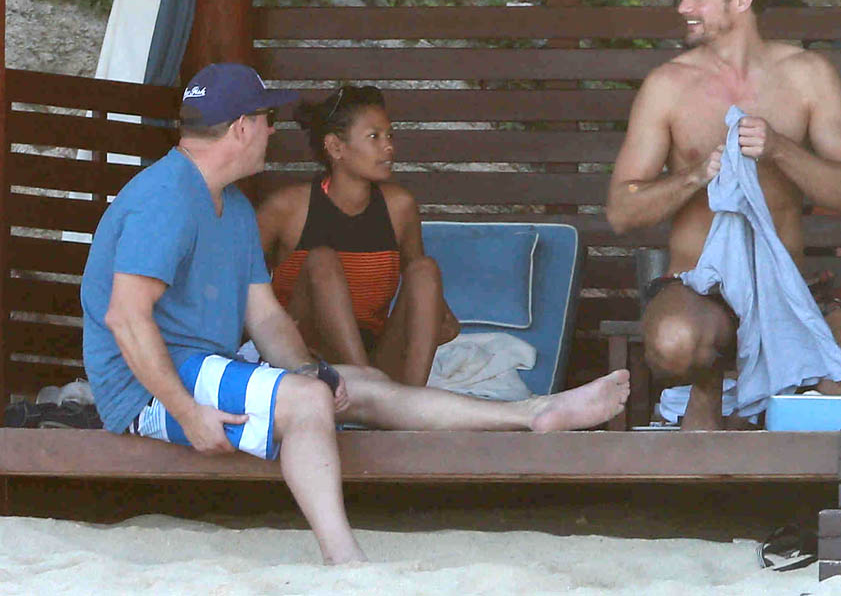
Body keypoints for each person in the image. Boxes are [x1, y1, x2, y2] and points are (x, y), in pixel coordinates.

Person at [81, 62, 631, 564]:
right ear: (242, 127)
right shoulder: (167, 197)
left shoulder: (235, 206)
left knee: (359, 383)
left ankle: (532, 413)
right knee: (306, 402)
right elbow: (126, 318)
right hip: (146, 390)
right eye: (269, 120)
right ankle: (345, 560)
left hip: (200, 367)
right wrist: (187, 412)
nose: (273, 132)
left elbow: (266, 317)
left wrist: (309, 368)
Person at [605, 0, 841, 431]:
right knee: (677, 342)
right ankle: (711, 391)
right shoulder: (667, 85)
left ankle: (750, 407)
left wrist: (780, 149)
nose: (682, 8)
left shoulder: (808, 75)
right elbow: (622, 210)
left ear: (741, 0)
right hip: (699, 290)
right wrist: (696, 175)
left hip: (788, 290)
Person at [257, 86, 458, 387]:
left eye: (390, 136)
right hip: (305, 362)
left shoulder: (399, 207)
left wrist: (440, 318)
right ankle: (371, 390)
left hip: (375, 353)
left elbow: (422, 288)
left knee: (424, 268)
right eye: (374, 137)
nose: (388, 147)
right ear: (335, 147)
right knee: (321, 259)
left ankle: (409, 399)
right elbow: (238, 286)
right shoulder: (286, 208)